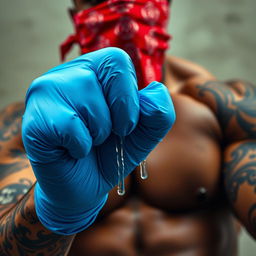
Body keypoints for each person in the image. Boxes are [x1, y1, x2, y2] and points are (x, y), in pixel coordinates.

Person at [0, 0, 255, 255]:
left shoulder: (227, 108)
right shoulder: (35, 126)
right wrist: (54, 210)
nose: (120, 6)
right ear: (75, 14)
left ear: (166, 4)